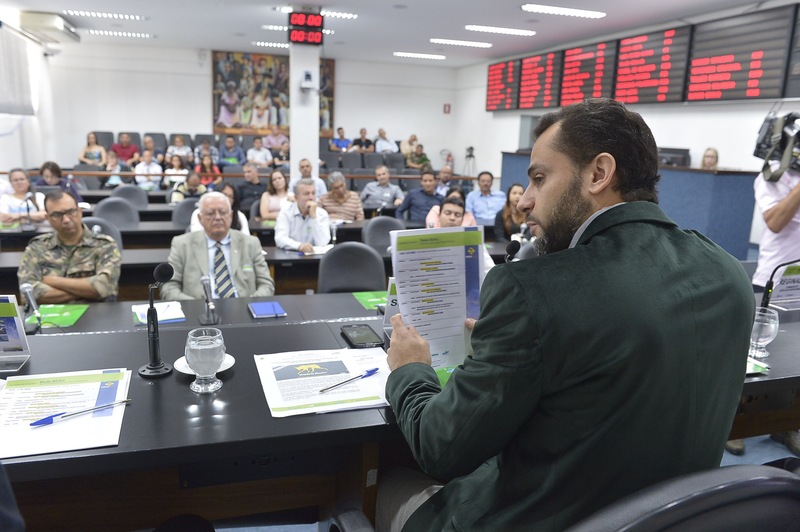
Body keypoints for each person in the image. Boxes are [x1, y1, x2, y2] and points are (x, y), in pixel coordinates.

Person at [377, 98, 755, 531]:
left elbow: (440, 448)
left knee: (379, 482)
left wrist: (410, 368)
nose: (525, 201)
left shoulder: (531, 290)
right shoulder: (728, 272)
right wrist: (517, 343)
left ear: (598, 173)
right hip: (674, 520)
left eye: (539, 178)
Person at [726, 155, 800, 457]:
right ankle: (733, 421)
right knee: (751, 355)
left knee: (794, 358)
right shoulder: (772, 176)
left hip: (799, 282)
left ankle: (785, 424)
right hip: (773, 279)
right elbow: (775, 221)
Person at [161, 191, 274, 300]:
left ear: (231, 215)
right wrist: (196, 307)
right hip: (198, 308)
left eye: (223, 212)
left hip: (243, 306)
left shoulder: (251, 243)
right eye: (210, 213)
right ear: (200, 219)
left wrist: (248, 304)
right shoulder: (182, 244)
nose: (218, 217)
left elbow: (266, 284)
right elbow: (169, 287)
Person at [18, 189, 121, 303]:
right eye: (57, 215)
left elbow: (104, 287)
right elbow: (27, 293)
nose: (66, 220)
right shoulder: (37, 247)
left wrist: (52, 281)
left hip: (95, 312)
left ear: (80, 212)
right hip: (50, 313)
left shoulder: (105, 245)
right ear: (48, 218)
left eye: (71, 212)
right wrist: (86, 292)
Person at [437, 195, 494, 281]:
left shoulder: (472, 240)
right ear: (439, 215)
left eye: (457, 215)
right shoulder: (427, 240)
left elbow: (490, 271)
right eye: (448, 213)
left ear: (462, 219)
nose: (452, 218)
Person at [275, 178, 331, 252]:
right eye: (306, 194)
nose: (311, 197)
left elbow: (322, 243)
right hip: (292, 255)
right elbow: (280, 239)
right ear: (296, 197)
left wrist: (314, 217)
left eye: (313, 193)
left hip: (315, 257)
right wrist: (299, 246)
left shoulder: (322, 214)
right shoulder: (286, 213)